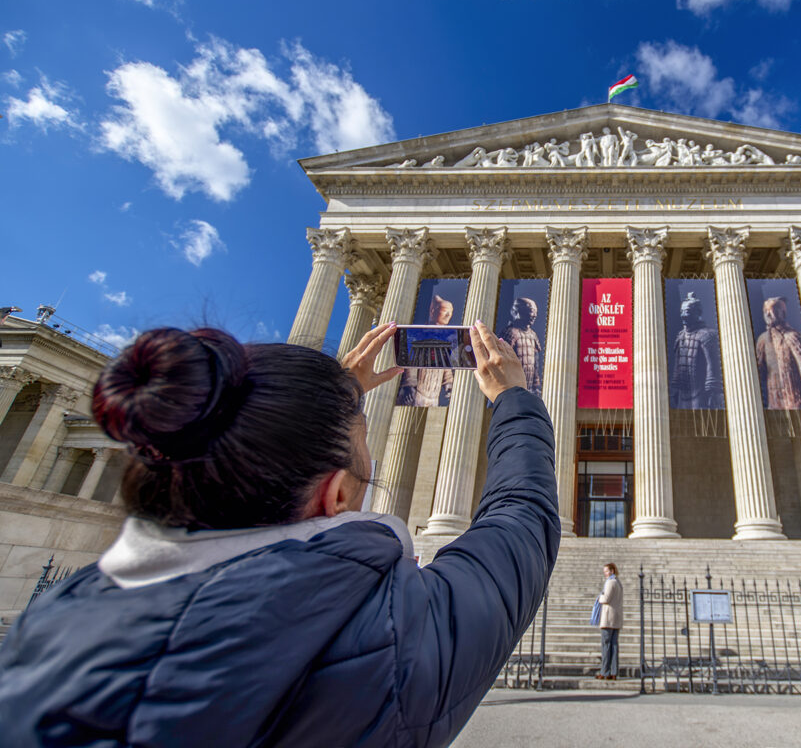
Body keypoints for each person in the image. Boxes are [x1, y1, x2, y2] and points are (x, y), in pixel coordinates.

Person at [0, 320, 559, 747]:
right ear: (334, 495)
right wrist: (515, 399)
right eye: (363, 443)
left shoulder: (52, 620)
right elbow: (520, 515)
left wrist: (326, 402)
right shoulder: (389, 640)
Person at [755, 297, 801, 410]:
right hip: (773, 393)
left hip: (792, 389)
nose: (768, 315)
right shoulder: (763, 339)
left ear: (782, 313)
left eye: (772, 310)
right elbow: (759, 367)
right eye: (765, 312)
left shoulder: (793, 336)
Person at [397, 294, 455, 406]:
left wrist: (448, 382)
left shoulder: (445, 338)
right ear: (433, 311)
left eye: (450, 312)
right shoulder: (420, 333)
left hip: (434, 395)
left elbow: (445, 364)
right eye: (445, 311)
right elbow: (412, 360)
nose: (448, 315)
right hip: (417, 391)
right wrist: (409, 384)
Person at [669, 291, 723, 409]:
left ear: (697, 312)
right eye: (682, 311)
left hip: (701, 393)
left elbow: (712, 365)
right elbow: (677, 365)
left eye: (687, 311)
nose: (683, 315)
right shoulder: (680, 337)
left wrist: (713, 390)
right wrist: (675, 388)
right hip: (683, 393)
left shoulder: (707, 335)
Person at [501, 296, 543, 397]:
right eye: (531, 311)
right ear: (520, 311)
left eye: (535, 312)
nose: (534, 315)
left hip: (527, 389)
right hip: (511, 389)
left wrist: (536, 385)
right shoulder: (510, 332)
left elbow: (535, 363)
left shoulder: (533, 335)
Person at [596, 562, 624, 680]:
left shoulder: (610, 582)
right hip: (616, 618)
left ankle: (605, 672)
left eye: (606, 571)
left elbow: (606, 598)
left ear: (612, 571)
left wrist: (599, 597)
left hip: (608, 619)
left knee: (606, 646)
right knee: (614, 646)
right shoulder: (618, 583)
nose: (605, 574)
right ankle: (613, 672)